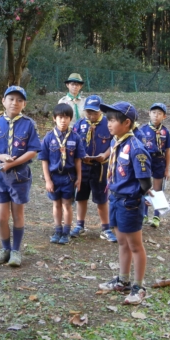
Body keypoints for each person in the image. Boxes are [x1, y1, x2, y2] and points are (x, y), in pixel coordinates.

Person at [97, 101, 152, 305]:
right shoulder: (116, 142)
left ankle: (139, 286)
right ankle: (123, 280)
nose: (108, 124)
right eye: (108, 119)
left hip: (129, 202)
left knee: (135, 245)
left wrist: (136, 198)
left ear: (127, 122)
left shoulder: (136, 148)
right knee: (122, 241)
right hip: (115, 198)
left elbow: (145, 181)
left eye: (112, 120)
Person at [0, 85, 41, 267]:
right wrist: (0, 157)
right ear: (3, 101)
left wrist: (13, 163)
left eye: (19, 100)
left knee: (18, 214)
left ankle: (16, 250)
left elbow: (33, 150)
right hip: (0, 177)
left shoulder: (29, 124)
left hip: (20, 176)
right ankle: (5, 248)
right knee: (1, 217)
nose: (14, 103)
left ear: (24, 104)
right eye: (11, 99)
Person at [70, 95, 116, 243]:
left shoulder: (107, 124)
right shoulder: (80, 124)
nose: (90, 115)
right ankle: (80, 225)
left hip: (101, 168)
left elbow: (113, 143)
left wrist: (105, 155)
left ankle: (105, 228)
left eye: (94, 112)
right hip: (83, 167)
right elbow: (75, 142)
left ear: (100, 111)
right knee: (81, 197)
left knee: (101, 199)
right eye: (88, 112)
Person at [39, 103, 86, 245]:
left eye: (66, 117)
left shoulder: (75, 138)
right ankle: (57, 230)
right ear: (54, 118)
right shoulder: (48, 138)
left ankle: (66, 232)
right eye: (60, 117)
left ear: (71, 119)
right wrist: (48, 180)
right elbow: (44, 161)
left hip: (69, 178)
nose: (63, 120)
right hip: (54, 177)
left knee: (67, 204)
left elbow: (78, 160)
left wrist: (79, 178)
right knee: (56, 204)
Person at [139, 103, 170, 228]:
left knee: (158, 190)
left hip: (159, 161)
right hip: (147, 160)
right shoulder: (143, 129)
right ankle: (144, 214)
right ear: (149, 113)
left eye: (159, 114)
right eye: (154, 113)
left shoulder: (165, 131)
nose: (156, 116)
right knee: (145, 188)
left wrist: (167, 169)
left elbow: (168, 150)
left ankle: (156, 216)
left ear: (164, 116)